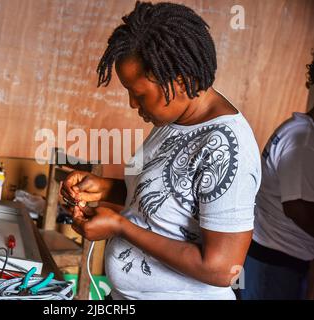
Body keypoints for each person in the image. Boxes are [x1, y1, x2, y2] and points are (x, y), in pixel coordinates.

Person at [61, 1, 261, 300]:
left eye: (138, 94)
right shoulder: (176, 115)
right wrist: (105, 189)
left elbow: (222, 269)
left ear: (178, 82)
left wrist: (120, 227)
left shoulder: (228, 148)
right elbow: (170, 201)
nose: (132, 104)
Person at [240, 53, 314, 300]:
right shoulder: (303, 140)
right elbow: (296, 207)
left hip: (272, 258)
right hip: (274, 262)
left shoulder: (301, 132)